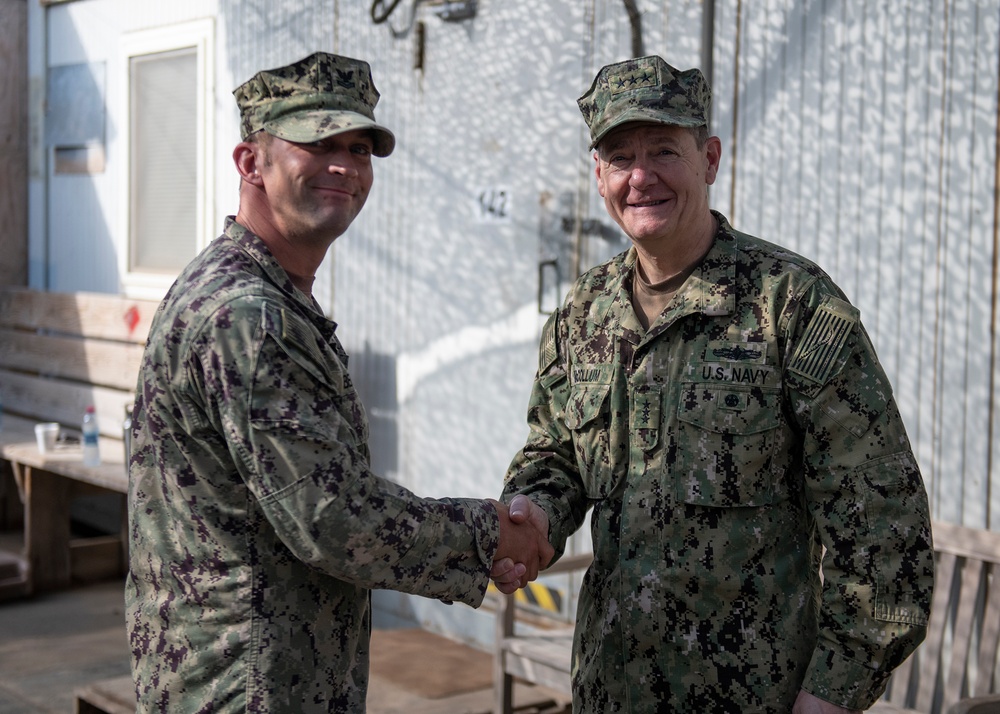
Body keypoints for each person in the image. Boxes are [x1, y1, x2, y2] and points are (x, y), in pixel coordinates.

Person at [497, 56, 935, 713]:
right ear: (598, 175)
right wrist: (531, 514)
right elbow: (555, 455)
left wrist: (834, 690)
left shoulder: (791, 305)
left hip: (752, 696)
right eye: (620, 157)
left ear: (709, 158)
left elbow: (880, 523)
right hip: (609, 691)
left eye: (664, 151)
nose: (641, 177)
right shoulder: (582, 313)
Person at [125, 52, 551, 713]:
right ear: (251, 163)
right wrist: (490, 537)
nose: (346, 167)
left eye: (359, 148)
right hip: (250, 685)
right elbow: (330, 516)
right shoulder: (251, 315)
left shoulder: (253, 290)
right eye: (319, 144)